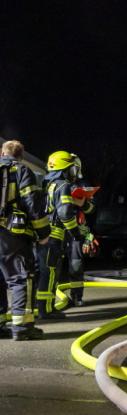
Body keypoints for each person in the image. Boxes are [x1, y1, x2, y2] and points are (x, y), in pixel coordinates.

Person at [0, 140, 50, 340]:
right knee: (21, 277)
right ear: (20, 156)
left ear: (2, 153)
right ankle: (22, 327)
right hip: (12, 234)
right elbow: (32, 203)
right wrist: (43, 233)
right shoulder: (21, 170)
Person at [36, 151, 85, 319]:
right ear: (65, 169)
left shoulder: (44, 183)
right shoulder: (63, 185)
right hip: (54, 235)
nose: (74, 173)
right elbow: (65, 214)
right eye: (72, 169)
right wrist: (76, 233)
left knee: (42, 272)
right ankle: (46, 310)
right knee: (49, 272)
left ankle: (40, 306)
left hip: (41, 234)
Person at [64, 156, 96, 307]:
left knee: (76, 265)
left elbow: (92, 209)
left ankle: (77, 297)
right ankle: (48, 300)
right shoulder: (58, 184)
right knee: (52, 266)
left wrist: (82, 203)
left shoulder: (83, 185)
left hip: (77, 231)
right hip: (58, 229)